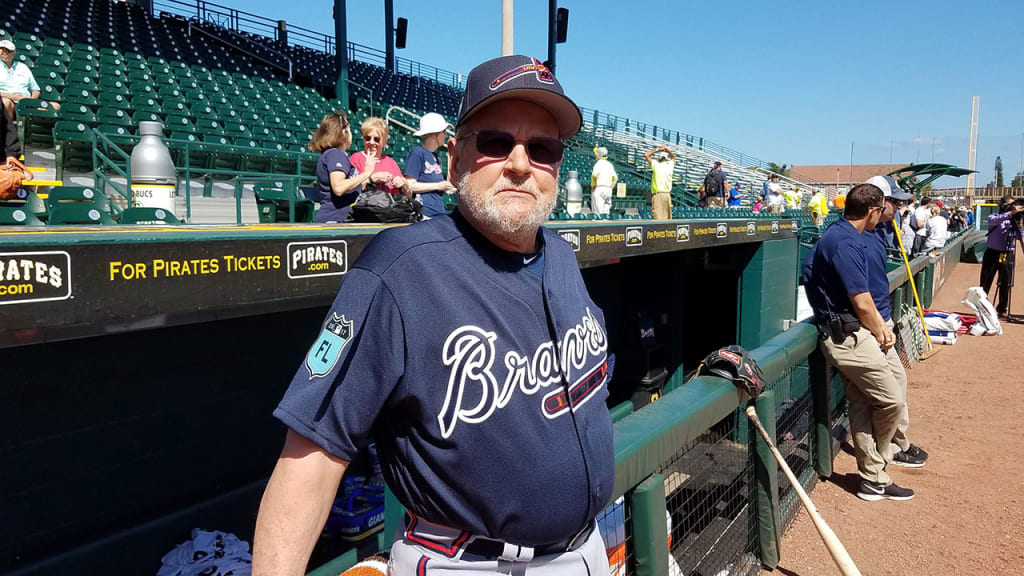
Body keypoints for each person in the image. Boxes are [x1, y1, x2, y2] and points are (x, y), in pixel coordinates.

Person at [253, 55, 614, 576]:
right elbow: (311, 457)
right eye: (496, 142)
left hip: (588, 550)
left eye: (543, 149)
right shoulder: (400, 267)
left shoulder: (559, 254)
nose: (520, 164)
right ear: (455, 159)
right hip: (470, 562)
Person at [802, 182, 913, 501]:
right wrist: (881, 330)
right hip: (847, 334)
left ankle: (872, 478)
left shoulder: (844, 233)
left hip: (851, 330)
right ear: (873, 210)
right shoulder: (844, 240)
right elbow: (862, 302)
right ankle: (880, 462)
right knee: (891, 400)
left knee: (863, 402)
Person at [864, 175, 929, 468]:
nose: (899, 207)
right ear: (877, 203)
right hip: (871, 323)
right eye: (894, 202)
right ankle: (891, 446)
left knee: (896, 384)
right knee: (887, 392)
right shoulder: (857, 234)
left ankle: (897, 441)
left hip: (882, 319)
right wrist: (877, 324)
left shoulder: (880, 229)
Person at [308, 110, 377, 223]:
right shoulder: (335, 154)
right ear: (344, 133)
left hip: (338, 218)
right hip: (335, 219)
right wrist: (366, 173)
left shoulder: (333, 154)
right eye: (349, 130)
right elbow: (339, 188)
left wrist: (366, 177)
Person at [405, 112, 458, 218]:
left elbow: (433, 186)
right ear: (435, 133)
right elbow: (409, 185)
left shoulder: (435, 156)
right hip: (424, 213)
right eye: (444, 131)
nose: (445, 135)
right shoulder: (417, 153)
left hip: (437, 212)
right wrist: (439, 185)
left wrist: (445, 188)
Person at [980, 195, 1024, 318]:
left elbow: (1019, 237)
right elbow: (994, 221)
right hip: (992, 253)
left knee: (1005, 282)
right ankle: (982, 307)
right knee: (986, 281)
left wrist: (1020, 226)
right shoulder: (994, 217)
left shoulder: (1014, 221)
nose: (1013, 207)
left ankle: (1002, 308)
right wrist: (1010, 213)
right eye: (1010, 205)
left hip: (1007, 253)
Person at [350, 116, 408, 197]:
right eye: (367, 138)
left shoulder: (391, 162)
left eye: (376, 139)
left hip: (392, 203)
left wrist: (404, 184)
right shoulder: (356, 159)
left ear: (384, 142)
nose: (371, 142)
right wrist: (373, 178)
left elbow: (408, 195)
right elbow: (350, 189)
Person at [645, 145, 675, 219]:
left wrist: (657, 149)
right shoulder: (670, 165)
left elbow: (646, 155)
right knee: (667, 218)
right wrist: (666, 149)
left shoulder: (656, 164)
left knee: (658, 217)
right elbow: (673, 157)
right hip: (667, 195)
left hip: (658, 194)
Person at [590, 146, 617, 216]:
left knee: (598, 212)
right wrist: (611, 188)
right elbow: (616, 178)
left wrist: (595, 186)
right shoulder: (609, 164)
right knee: (606, 212)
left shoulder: (598, 164)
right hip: (608, 189)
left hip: (599, 188)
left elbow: (594, 175)